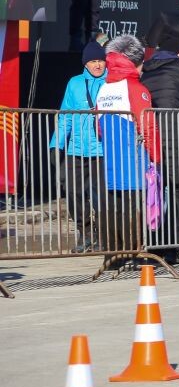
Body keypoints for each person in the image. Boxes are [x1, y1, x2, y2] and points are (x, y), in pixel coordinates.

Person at [95, 35, 160, 255]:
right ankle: (136, 250)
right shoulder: (134, 87)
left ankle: (114, 253)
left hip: (112, 159)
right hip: (134, 159)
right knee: (134, 207)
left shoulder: (104, 89)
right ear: (134, 62)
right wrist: (156, 156)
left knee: (114, 207)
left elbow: (99, 128)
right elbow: (147, 125)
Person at [140, 35, 179, 263]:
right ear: (178, 51)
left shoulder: (147, 70)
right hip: (176, 137)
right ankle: (173, 247)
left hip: (151, 138)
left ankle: (154, 244)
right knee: (176, 190)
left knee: (154, 191)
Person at [49, 42, 107, 252]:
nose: (98, 65)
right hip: (76, 150)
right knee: (73, 193)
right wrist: (57, 144)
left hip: (102, 150)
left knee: (101, 196)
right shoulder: (74, 83)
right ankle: (86, 232)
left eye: (100, 60)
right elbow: (65, 116)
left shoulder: (112, 81)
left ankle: (102, 235)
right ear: (86, 63)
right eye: (93, 61)